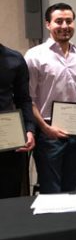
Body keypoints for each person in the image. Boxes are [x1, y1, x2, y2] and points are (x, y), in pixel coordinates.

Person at [25, 2, 76, 193]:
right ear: (48, 24)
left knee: (72, 188)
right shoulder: (34, 56)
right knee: (51, 190)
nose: (64, 26)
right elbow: (28, 98)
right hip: (48, 133)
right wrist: (46, 129)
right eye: (59, 21)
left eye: (69, 21)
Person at [0, 44, 36, 198]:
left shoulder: (15, 59)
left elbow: (23, 99)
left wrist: (29, 129)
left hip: (7, 140)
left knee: (8, 197)